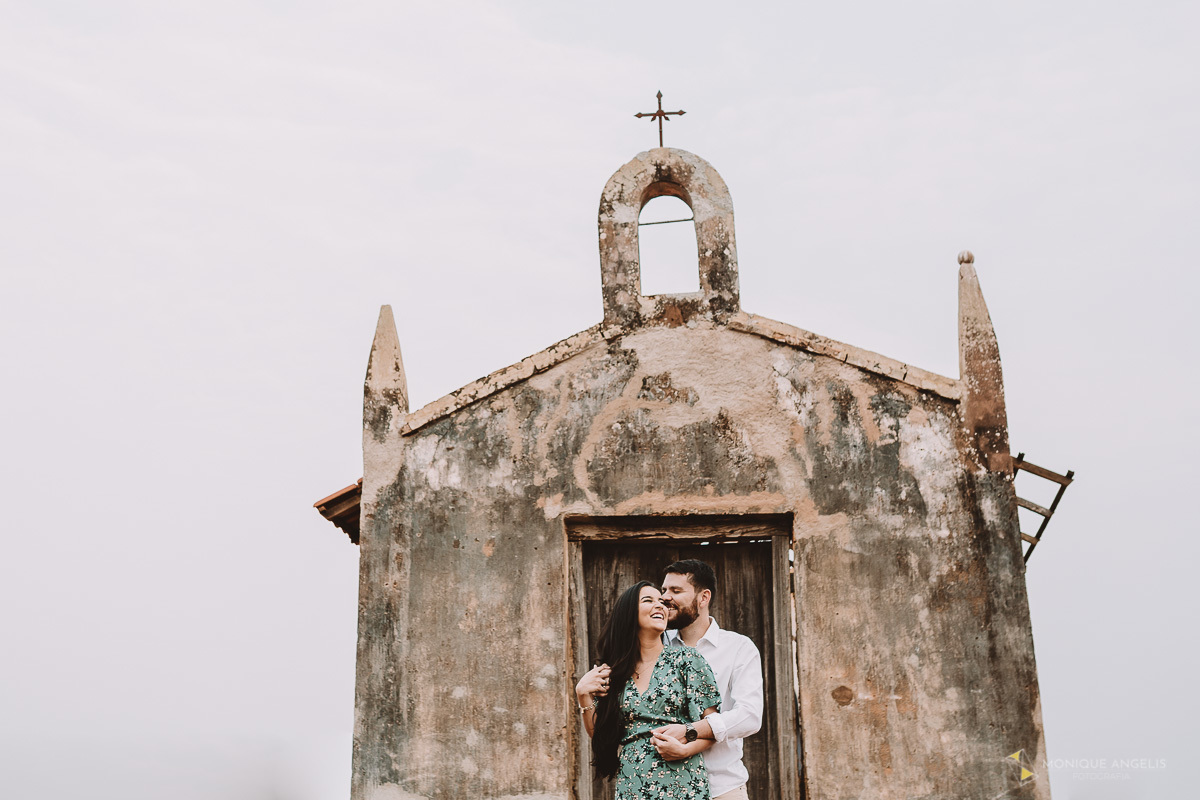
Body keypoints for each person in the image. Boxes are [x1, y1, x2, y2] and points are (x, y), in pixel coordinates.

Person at [575, 581, 723, 800]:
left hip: (683, 782)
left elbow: (713, 727)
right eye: (648, 600)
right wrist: (582, 694)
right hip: (632, 784)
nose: (660, 605)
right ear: (628, 613)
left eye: (662, 602)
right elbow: (600, 735)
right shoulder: (613, 673)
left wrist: (685, 750)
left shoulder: (687, 660)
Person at [652, 560, 764, 800]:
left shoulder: (738, 647)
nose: (665, 597)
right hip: (661, 788)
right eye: (664, 590)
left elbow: (750, 716)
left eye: (676, 590)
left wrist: (689, 731)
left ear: (703, 598)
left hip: (721, 787)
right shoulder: (653, 645)